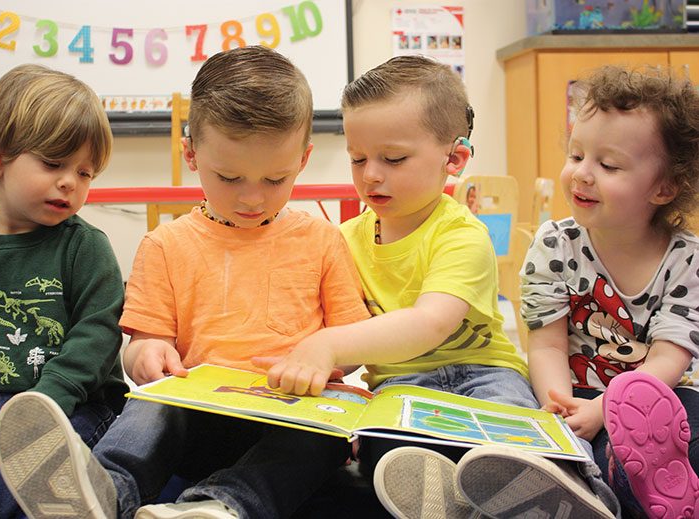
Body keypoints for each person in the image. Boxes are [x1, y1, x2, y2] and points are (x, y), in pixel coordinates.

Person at [0, 45, 371, 519]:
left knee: (326, 438)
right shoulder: (166, 245)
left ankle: (217, 508)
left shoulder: (321, 239)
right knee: (151, 408)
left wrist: (326, 355)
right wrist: (146, 355)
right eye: (229, 176)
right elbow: (142, 346)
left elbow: (355, 344)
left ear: (304, 158)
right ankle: (102, 495)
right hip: (195, 419)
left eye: (276, 178)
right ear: (190, 152)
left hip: (289, 418)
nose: (252, 198)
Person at [255, 55, 620, 519]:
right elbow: (345, 337)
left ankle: (584, 494)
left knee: (521, 444)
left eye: (393, 159)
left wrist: (325, 344)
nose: (370, 175)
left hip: (483, 373)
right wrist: (300, 358)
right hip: (400, 385)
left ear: (455, 158)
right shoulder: (342, 241)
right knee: (386, 454)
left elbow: (430, 323)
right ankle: (458, 504)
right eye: (357, 158)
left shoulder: (461, 233)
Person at [0, 63, 127, 518]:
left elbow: (97, 336)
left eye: (86, 172)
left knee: (28, 454)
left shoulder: (85, 247)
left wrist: (46, 403)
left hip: (73, 409)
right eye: (53, 163)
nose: (70, 181)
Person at [521, 64, 699, 518]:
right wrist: (557, 407)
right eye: (576, 155)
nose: (581, 174)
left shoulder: (687, 259)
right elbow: (546, 344)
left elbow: (668, 359)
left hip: (660, 398)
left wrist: (608, 408)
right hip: (573, 390)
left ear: (664, 188)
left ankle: (629, 485)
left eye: (608, 164)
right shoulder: (554, 243)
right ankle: (588, 482)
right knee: (536, 439)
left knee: (690, 431)